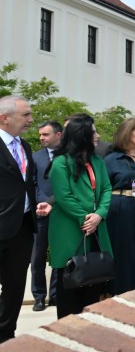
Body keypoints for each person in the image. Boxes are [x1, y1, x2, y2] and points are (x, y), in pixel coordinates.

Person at [47, 114, 112, 319]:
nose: (97, 135)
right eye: (93, 131)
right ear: (81, 135)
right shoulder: (61, 163)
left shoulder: (97, 161)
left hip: (96, 226)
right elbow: (63, 197)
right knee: (70, 281)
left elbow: (107, 189)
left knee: (94, 279)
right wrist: (86, 219)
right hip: (69, 228)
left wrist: (99, 215)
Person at [0, 95, 38, 342]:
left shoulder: (24, 146)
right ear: (4, 118)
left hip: (22, 227)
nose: (30, 120)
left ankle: (5, 337)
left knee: (14, 287)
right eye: (25, 115)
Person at [103, 117, 135, 294]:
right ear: (127, 133)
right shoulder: (110, 160)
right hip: (117, 207)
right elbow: (103, 190)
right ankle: (116, 292)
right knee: (121, 251)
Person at [30, 120, 61, 311]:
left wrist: (52, 202)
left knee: (59, 255)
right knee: (38, 257)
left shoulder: (68, 156)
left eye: (45, 134)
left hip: (62, 212)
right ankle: (39, 297)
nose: (41, 138)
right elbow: (31, 183)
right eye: (40, 134)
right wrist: (43, 202)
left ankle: (56, 295)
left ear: (58, 135)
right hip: (40, 212)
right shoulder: (35, 157)